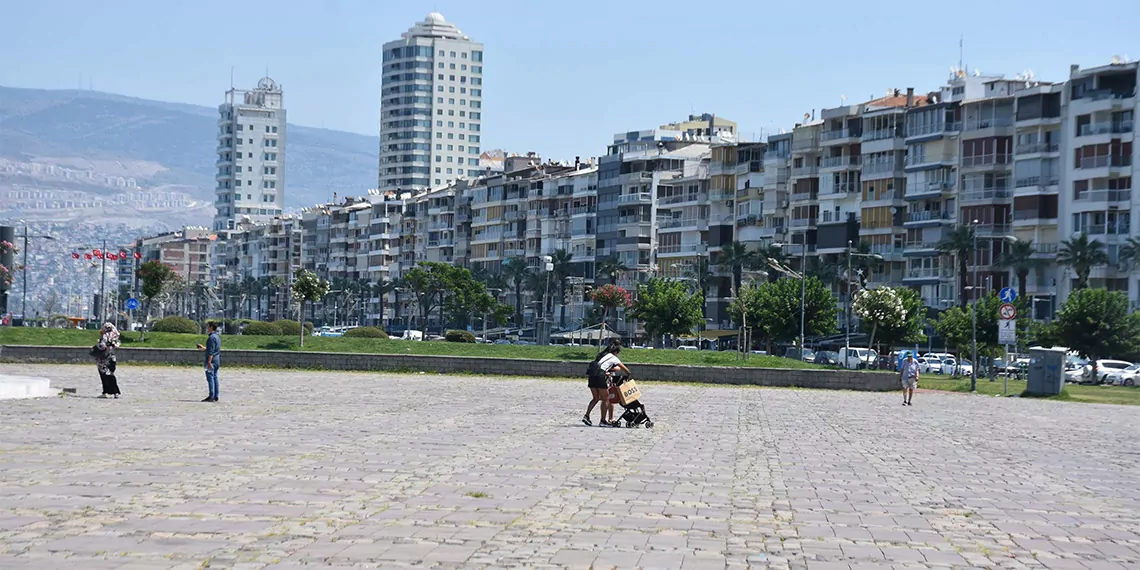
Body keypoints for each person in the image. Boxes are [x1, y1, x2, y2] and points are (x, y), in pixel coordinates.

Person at [583, 339, 632, 427]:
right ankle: (602, 421)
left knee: (595, 398)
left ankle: (586, 416)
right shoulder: (613, 358)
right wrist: (628, 374)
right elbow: (623, 368)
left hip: (592, 375)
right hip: (600, 376)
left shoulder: (603, 355)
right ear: (616, 352)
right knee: (606, 399)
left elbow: (601, 366)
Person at [196, 322, 221, 402]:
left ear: (211, 327)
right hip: (217, 360)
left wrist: (209, 362)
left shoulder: (211, 338)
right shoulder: (217, 337)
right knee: (215, 377)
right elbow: (213, 349)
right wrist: (204, 348)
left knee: (210, 378)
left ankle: (211, 395)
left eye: (208, 327)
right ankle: (216, 395)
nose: (207, 328)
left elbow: (211, 352)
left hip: (211, 361)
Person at [95, 322, 121, 398]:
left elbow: (102, 346)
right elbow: (117, 345)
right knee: (111, 374)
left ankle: (106, 392)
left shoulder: (105, 336)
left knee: (104, 375)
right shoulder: (116, 336)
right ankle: (116, 392)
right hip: (112, 358)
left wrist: (98, 344)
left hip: (103, 359)